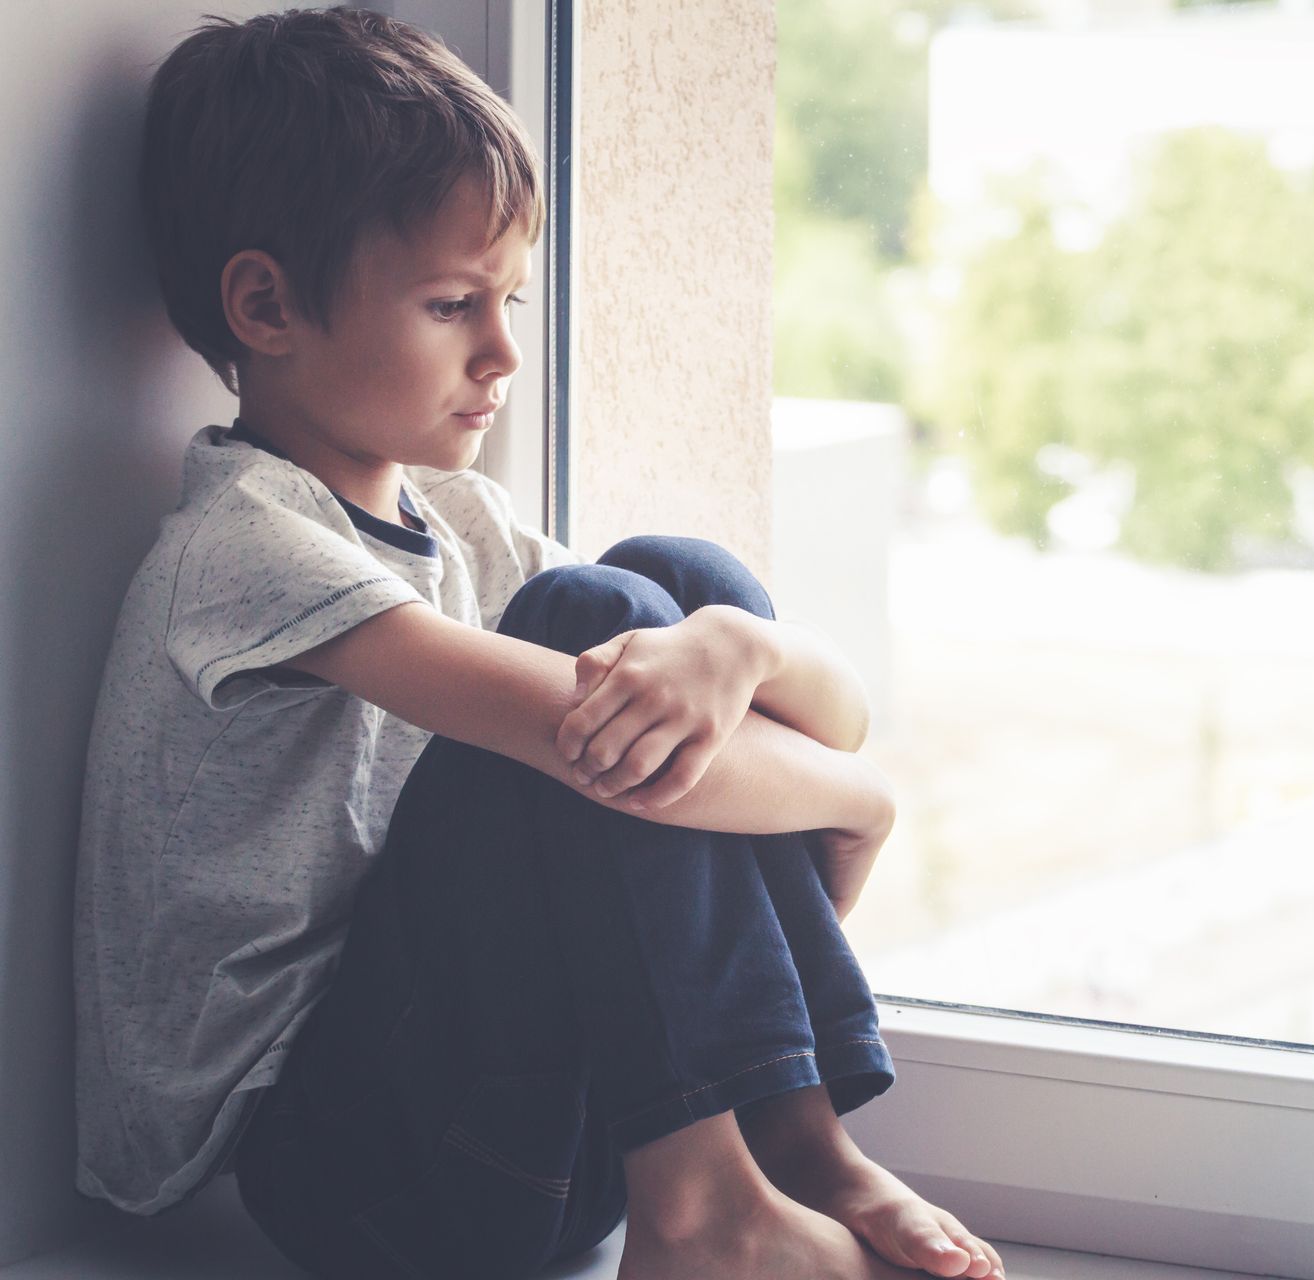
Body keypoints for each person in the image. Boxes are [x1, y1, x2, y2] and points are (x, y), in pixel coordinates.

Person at [71, 8, 1006, 1279]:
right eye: (454, 303)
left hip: (521, 1138)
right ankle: (703, 1216)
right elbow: (605, 739)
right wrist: (860, 802)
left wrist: (743, 649)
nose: (505, 350)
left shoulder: (464, 522)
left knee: (682, 587)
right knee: (601, 636)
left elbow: (825, 717)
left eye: (509, 299)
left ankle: (794, 1148)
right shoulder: (240, 547)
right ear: (267, 304)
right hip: (340, 1179)